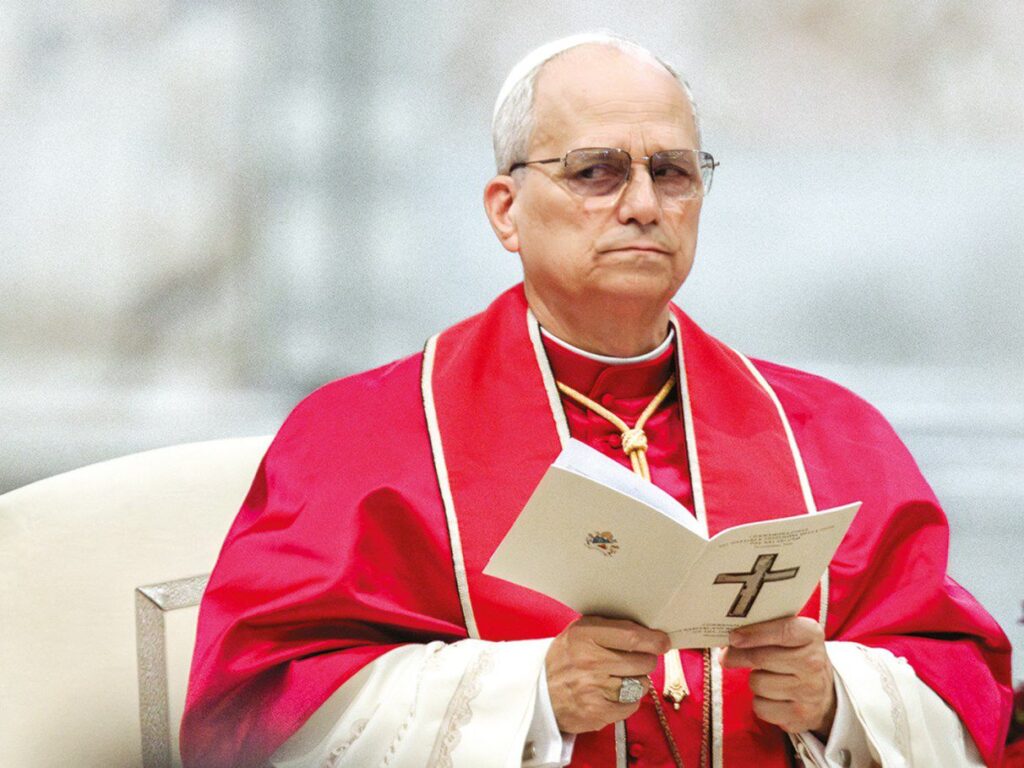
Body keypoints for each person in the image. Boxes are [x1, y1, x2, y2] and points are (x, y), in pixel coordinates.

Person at [181, 32, 1012, 768]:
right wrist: (530, 694)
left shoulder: (834, 437)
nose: (644, 206)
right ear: (506, 211)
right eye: (596, 172)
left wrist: (838, 699)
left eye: (672, 172)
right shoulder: (361, 437)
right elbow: (253, 711)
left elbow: (974, 691)